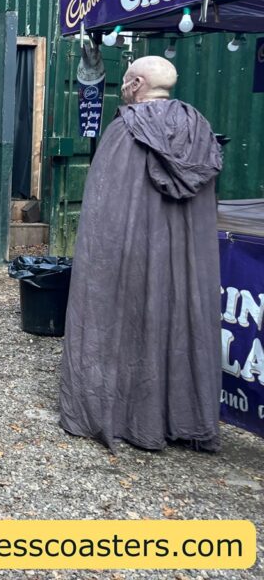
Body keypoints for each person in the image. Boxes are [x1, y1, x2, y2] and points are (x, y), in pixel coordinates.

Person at [59, 55, 223, 453]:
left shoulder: (123, 133)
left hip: (129, 258)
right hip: (183, 264)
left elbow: (103, 217)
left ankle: (118, 414)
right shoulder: (199, 130)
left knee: (119, 322)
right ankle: (178, 418)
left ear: (133, 85)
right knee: (177, 322)